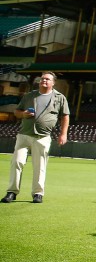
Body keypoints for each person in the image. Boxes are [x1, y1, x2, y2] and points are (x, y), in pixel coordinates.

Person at [3, 72, 69, 204]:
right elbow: (17, 111)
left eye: (47, 79)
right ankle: (12, 192)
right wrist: (23, 114)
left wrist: (63, 134)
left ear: (53, 82)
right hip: (24, 134)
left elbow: (65, 116)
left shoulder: (59, 97)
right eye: (42, 79)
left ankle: (38, 194)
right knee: (17, 162)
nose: (44, 81)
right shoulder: (29, 95)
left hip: (42, 136)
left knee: (40, 166)